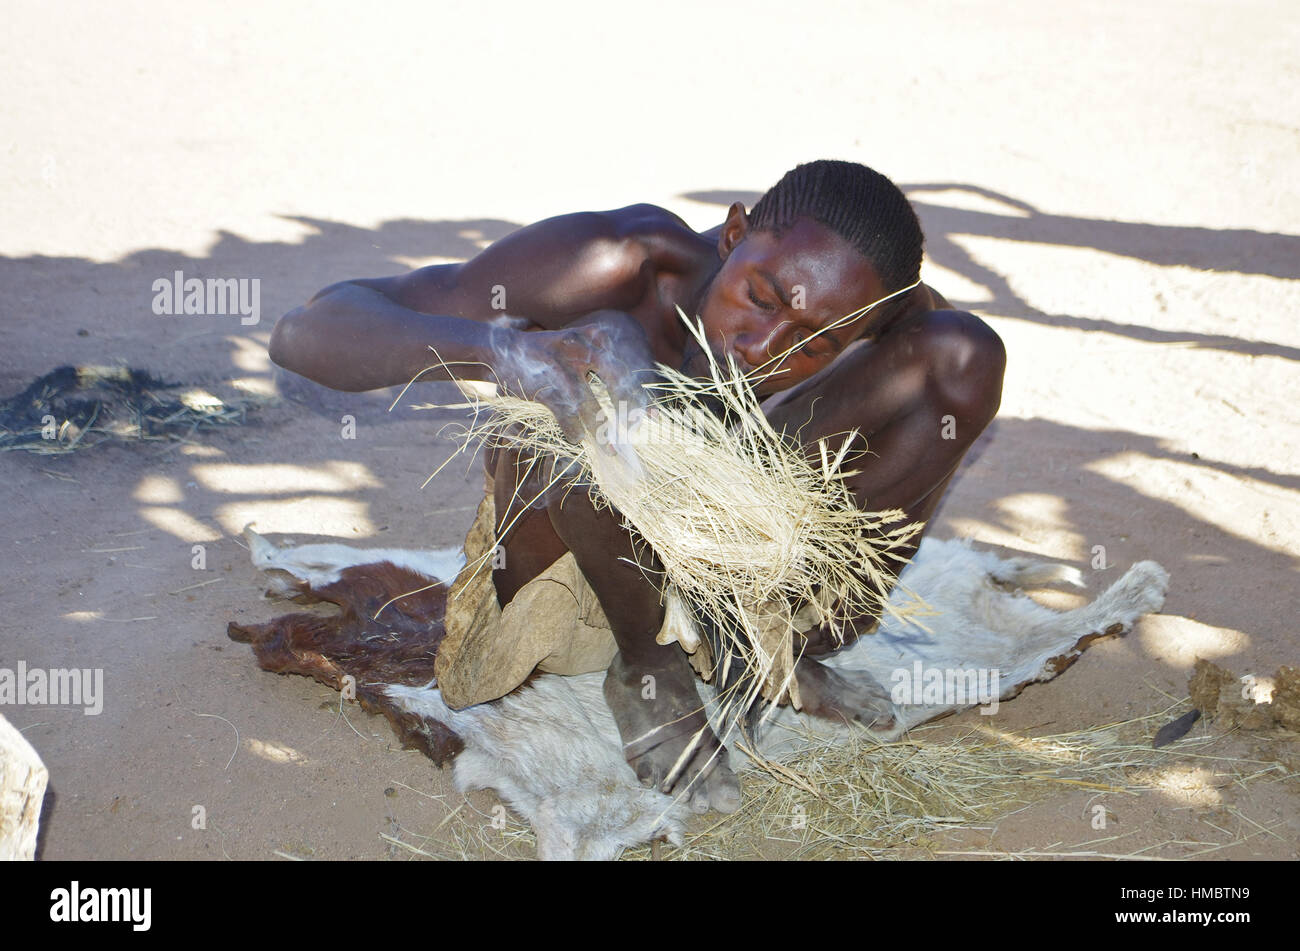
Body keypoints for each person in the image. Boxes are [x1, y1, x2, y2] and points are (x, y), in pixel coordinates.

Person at [269, 160, 1006, 813]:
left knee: (964, 354)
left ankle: (761, 644)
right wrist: (512, 352)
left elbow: (924, 334)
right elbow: (308, 330)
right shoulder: (618, 263)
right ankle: (650, 672)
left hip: (726, 578)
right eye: (761, 296)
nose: (762, 348)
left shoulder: (876, 311)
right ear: (734, 233)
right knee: (606, 351)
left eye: (814, 341)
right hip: (565, 571)